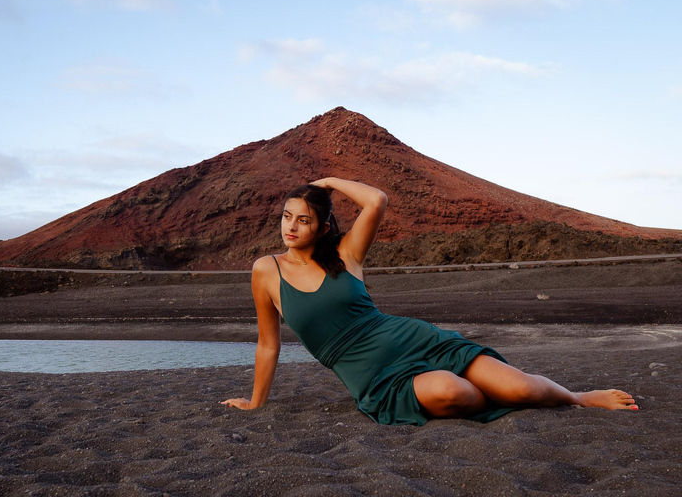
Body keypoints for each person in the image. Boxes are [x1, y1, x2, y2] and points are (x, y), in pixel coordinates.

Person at [221, 177, 638, 425]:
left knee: (522, 387)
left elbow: (376, 200)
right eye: (287, 216)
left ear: (323, 225)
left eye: (304, 218)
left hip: (416, 340)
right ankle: (501, 393)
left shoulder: (347, 254)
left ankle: (579, 396)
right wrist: (256, 402)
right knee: (449, 392)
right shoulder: (265, 271)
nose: (291, 226)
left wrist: (326, 183)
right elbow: (268, 343)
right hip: (377, 379)